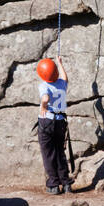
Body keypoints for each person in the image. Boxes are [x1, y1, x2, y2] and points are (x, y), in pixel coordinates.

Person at [37, 55, 71, 194]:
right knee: (60, 153)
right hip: (60, 122)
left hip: (47, 121)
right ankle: (66, 183)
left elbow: (45, 97)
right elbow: (65, 78)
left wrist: (43, 106)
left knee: (48, 153)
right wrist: (60, 63)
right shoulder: (61, 84)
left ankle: (53, 185)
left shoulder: (44, 85)